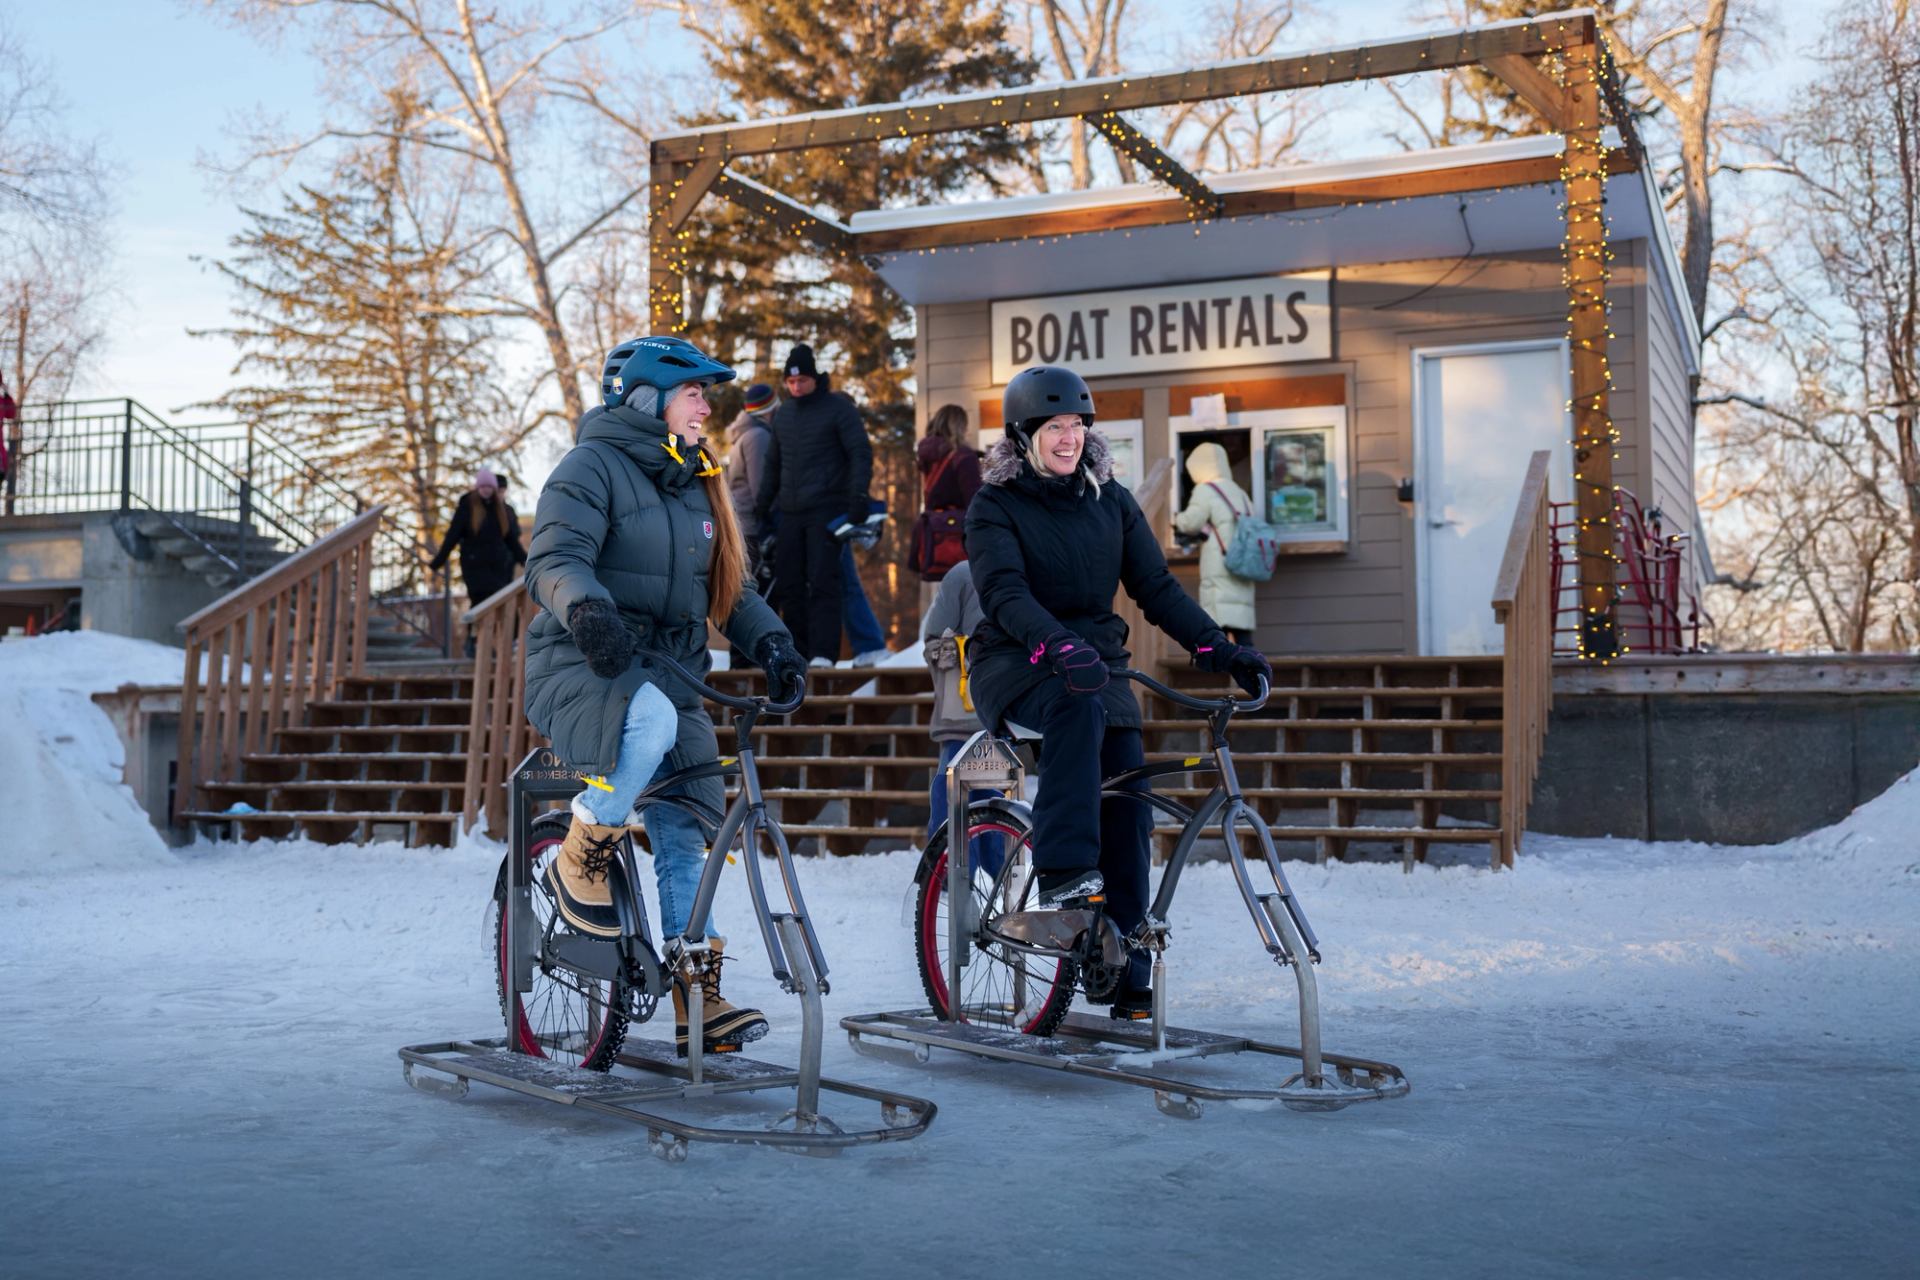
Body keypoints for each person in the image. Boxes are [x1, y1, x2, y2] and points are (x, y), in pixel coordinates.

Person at [522, 335, 809, 1057]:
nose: (707, 407)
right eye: (694, 394)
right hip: (585, 658)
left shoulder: (697, 481)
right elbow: (555, 557)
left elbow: (730, 591)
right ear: (647, 399)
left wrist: (772, 642)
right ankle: (580, 853)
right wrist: (587, 610)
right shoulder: (592, 466)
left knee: (689, 832)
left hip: (670, 675)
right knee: (645, 718)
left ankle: (694, 992)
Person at [964, 365, 1271, 1021]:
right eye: (1054, 427)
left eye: (1077, 425)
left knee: (1129, 799)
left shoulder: (1111, 501)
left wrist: (1219, 648)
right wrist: (1054, 643)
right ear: (1024, 436)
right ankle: (1067, 883)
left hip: (1097, 666)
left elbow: (1155, 589)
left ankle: (1121, 958)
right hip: (1017, 658)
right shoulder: (996, 506)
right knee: (1075, 706)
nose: (1068, 438)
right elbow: (1004, 593)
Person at [753, 343, 873, 666]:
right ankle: (798, 653)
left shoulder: (837, 409)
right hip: (790, 512)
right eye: (790, 382)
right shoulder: (785, 415)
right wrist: (761, 506)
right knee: (790, 584)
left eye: (801, 380)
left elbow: (860, 452)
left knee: (823, 581)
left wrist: (858, 496)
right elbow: (773, 465)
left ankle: (823, 653)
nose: (795, 387)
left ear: (814, 378)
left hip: (826, 509)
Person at [921, 558, 1001, 875]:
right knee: (963, 781)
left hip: (995, 701)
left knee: (982, 784)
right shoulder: (965, 574)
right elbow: (933, 640)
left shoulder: (973, 572)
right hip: (971, 703)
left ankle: (962, 872)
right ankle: (953, 872)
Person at [1170, 442, 1258, 644]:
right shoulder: (1240, 492)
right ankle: (1254, 673)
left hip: (1221, 565)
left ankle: (1215, 670)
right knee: (1242, 632)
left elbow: (1191, 523)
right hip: (1243, 564)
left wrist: (1176, 518)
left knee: (1217, 629)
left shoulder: (1206, 490)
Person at [428, 467, 527, 610]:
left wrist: (525, 560)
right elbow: (452, 536)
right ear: (478, 487)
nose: (486, 490)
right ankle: (474, 632)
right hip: (475, 565)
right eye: (483, 486)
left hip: (496, 566)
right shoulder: (467, 507)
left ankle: (485, 632)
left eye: (489, 487)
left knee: (498, 604)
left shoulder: (500, 510)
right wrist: (439, 561)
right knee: (480, 603)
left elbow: (511, 539)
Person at [911, 403, 984, 584]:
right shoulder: (963, 456)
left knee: (947, 600)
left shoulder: (928, 457)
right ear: (960, 426)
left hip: (936, 540)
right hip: (960, 541)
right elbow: (976, 503)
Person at [725, 381, 777, 594]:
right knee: (759, 593)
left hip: (744, 524)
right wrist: (774, 522)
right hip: (753, 527)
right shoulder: (759, 436)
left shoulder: (746, 434)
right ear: (770, 409)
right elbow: (760, 487)